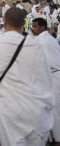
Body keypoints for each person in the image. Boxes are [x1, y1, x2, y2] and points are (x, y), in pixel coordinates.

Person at [0, 8, 54, 146]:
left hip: (9, 107)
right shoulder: (36, 46)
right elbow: (46, 79)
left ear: (4, 22)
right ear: (24, 22)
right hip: (35, 107)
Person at [32, 17, 60, 145]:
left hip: (53, 76)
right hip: (54, 75)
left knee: (53, 109)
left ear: (43, 27)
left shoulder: (41, 40)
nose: (33, 29)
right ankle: (52, 137)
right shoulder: (49, 38)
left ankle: (56, 138)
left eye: (36, 26)